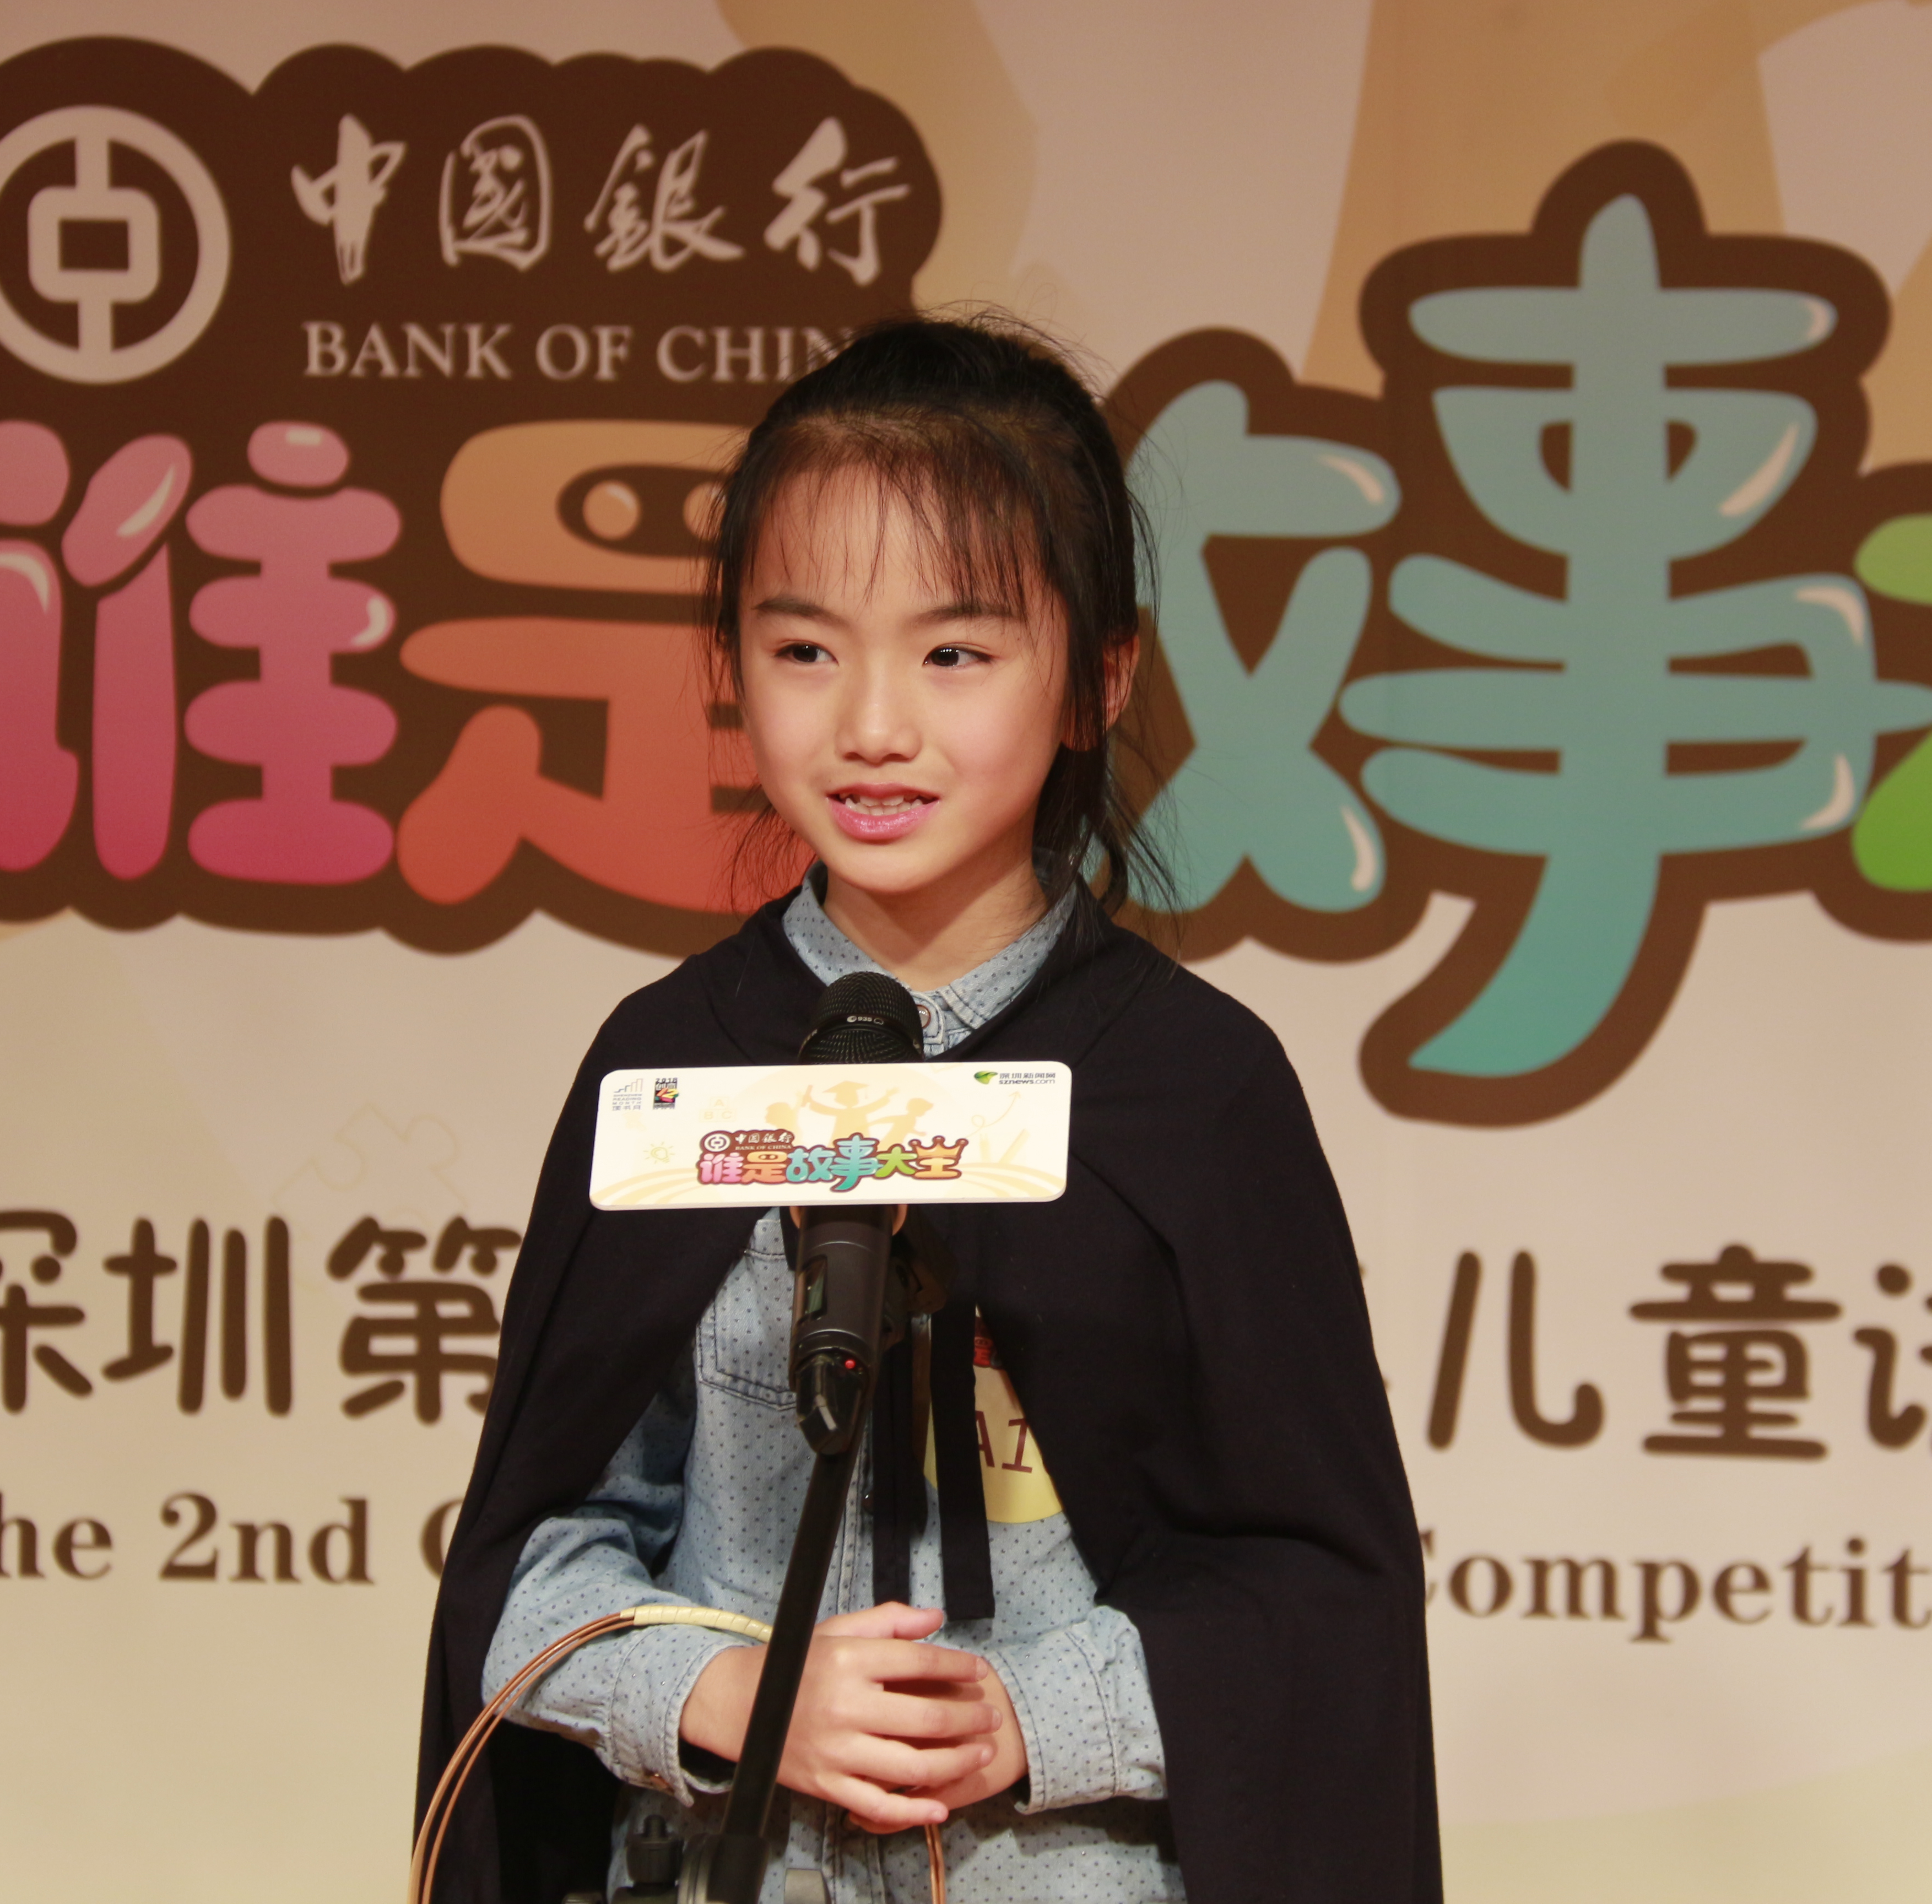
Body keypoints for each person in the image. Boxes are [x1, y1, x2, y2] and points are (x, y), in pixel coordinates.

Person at [417, 315, 1441, 1903]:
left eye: (955, 654)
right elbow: (527, 1567)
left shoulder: (1195, 1090)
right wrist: (726, 1691)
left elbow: (1318, 1601)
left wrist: (1032, 1711)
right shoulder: (670, 1065)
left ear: (1098, 678)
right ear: (729, 665)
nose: (872, 724)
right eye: (805, 650)